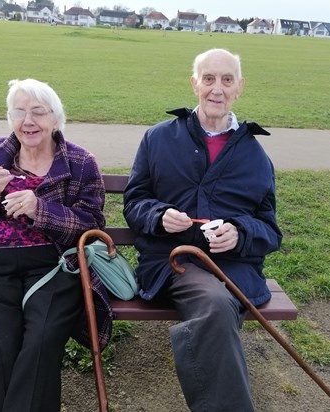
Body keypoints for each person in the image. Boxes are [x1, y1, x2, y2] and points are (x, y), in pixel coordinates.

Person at [123, 49, 282, 411]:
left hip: (235, 267)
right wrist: (159, 216)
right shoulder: (158, 138)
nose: (217, 89)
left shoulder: (257, 157)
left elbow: (270, 231)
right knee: (214, 303)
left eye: (227, 80)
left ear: (239, 87)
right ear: (194, 83)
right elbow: (134, 203)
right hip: (172, 261)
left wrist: (240, 233)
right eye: (208, 78)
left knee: (219, 304)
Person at [0, 78, 111, 412]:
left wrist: (41, 210)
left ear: (56, 119)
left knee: (41, 343)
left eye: (38, 112)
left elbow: (93, 226)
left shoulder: (81, 162)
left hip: (54, 266)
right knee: (1, 348)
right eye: (19, 112)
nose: (28, 121)